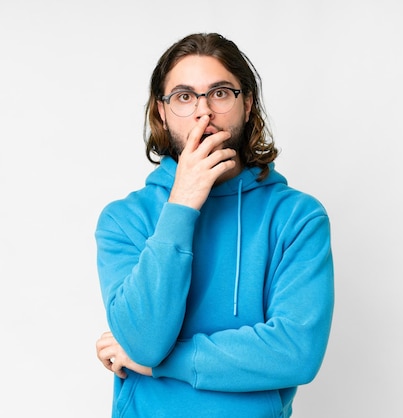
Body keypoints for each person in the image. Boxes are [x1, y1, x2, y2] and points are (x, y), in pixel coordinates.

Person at [95, 32, 334, 418]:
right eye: (184, 97)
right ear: (162, 111)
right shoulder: (124, 220)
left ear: (248, 104)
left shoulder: (297, 217)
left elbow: (296, 352)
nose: (203, 112)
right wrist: (182, 204)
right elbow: (143, 343)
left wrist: (162, 365)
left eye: (220, 93)